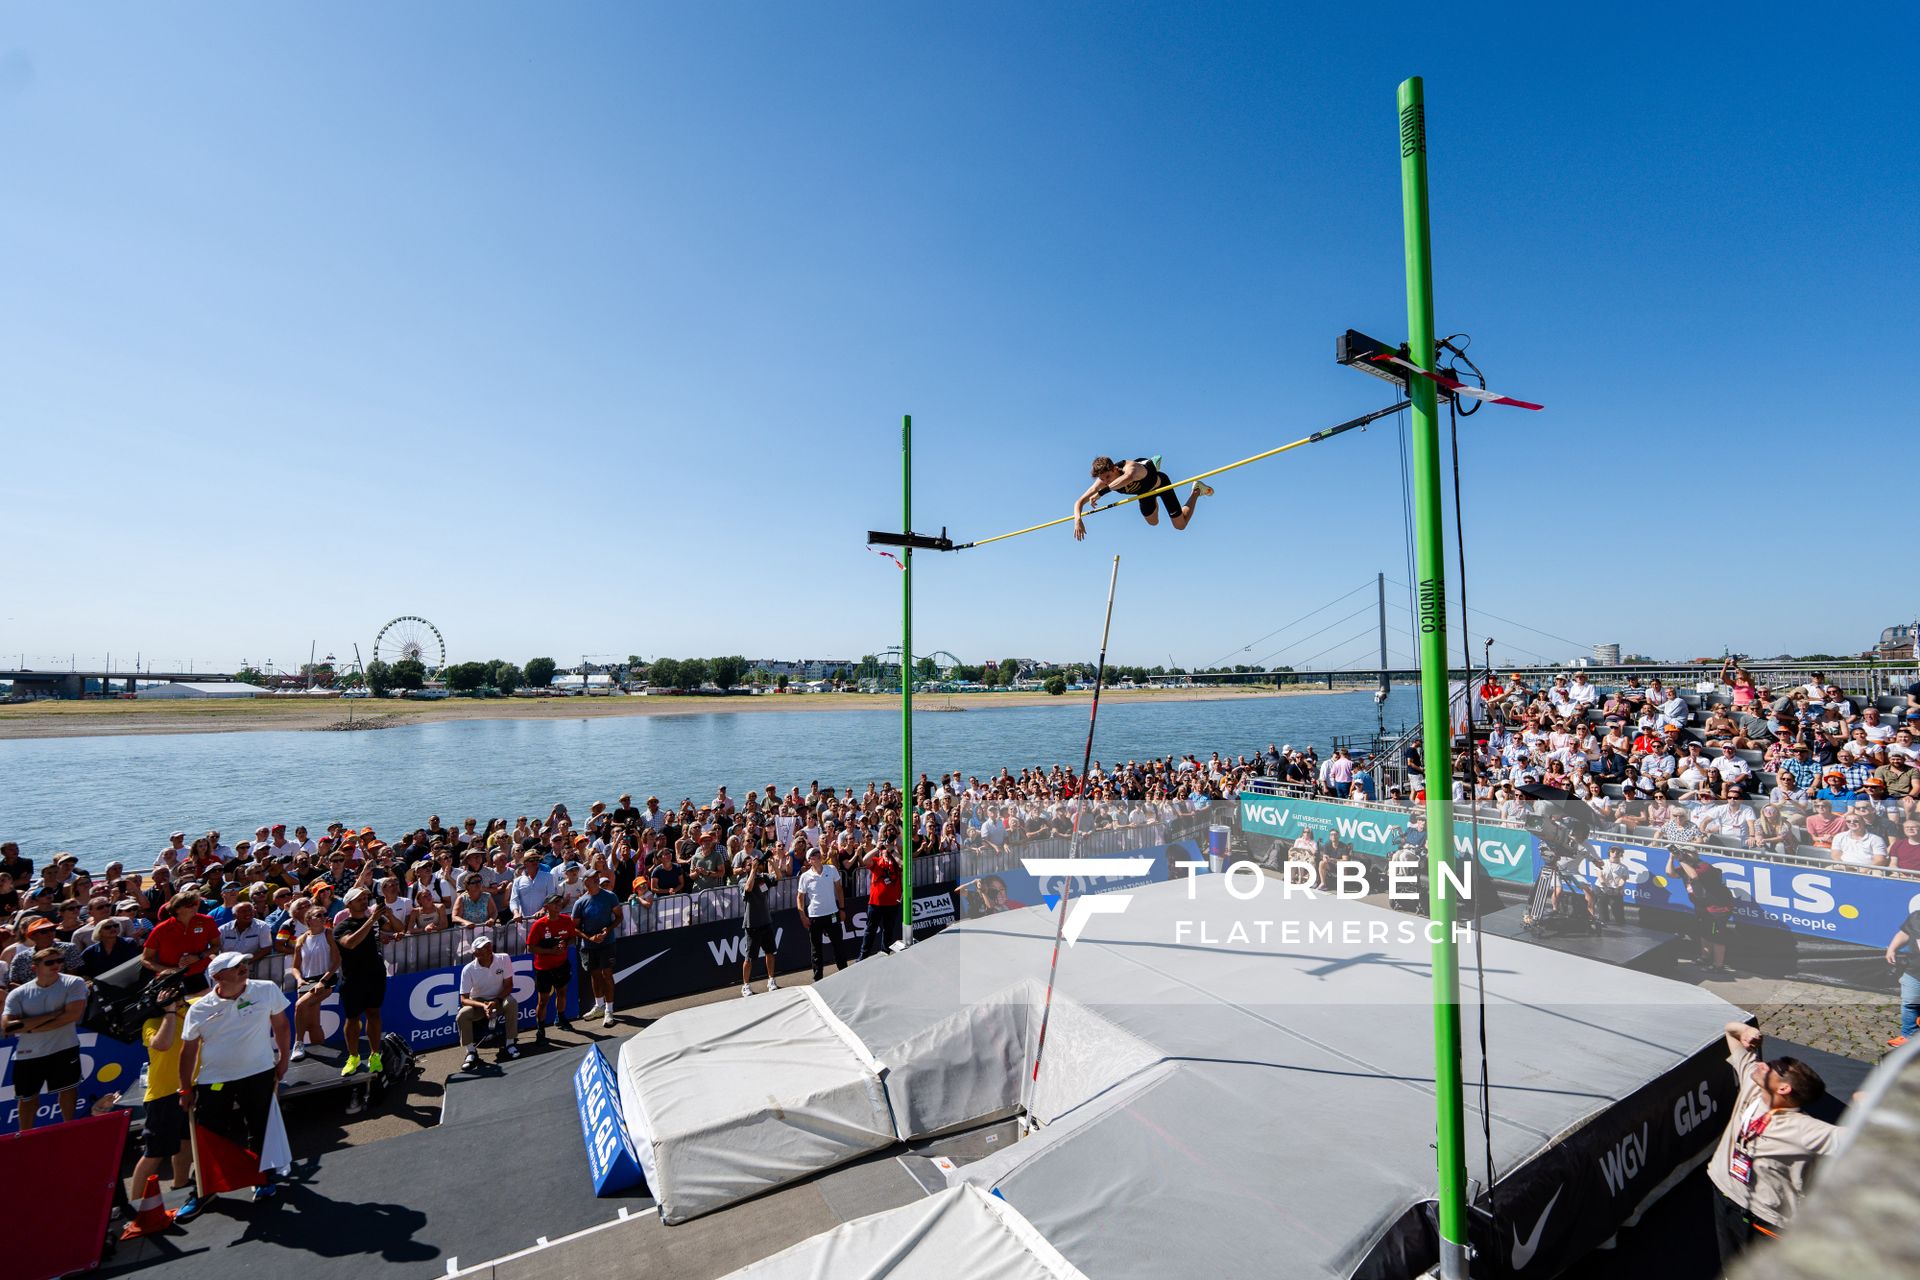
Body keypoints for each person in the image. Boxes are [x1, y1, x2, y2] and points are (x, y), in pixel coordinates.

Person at [1705, 1021, 1836, 1271]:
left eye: (1772, 1068)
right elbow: (1729, 1032)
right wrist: (1743, 1031)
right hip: (1725, 1192)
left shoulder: (1805, 1129)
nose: (1761, 1063)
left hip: (1767, 1218)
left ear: (1783, 1088)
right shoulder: (1754, 1086)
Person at [174, 953, 292, 1220]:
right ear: (217, 977)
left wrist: (283, 1060)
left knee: (259, 1127)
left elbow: (282, 1026)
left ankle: (261, 1179)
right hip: (214, 1080)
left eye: (243, 964)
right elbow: (188, 1050)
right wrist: (185, 1088)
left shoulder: (266, 989)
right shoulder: (200, 1008)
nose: (243, 968)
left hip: (259, 1072)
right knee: (210, 1134)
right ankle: (203, 1190)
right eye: (235, 967)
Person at [1, 946, 89, 1131]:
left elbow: (71, 1016)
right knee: (27, 1099)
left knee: (68, 1091)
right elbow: (8, 1027)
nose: (56, 965)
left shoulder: (74, 982)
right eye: (50, 962)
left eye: (60, 961)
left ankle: (69, 1130)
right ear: (35, 968)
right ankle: (25, 1137)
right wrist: (52, 1015)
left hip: (64, 1047)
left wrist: (29, 1027)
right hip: (28, 1054)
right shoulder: (19, 993)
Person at [129, 987, 195, 1204]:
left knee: (186, 1142)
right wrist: (168, 1012)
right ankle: (136, 1204)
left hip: (191, 1087)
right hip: (163, 1095)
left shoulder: (192, 1009)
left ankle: (180, 1185)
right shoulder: (152, 1022)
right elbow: (163, 1044)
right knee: (154, 1153)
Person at [1073, 455, 1212, 540]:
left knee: (1180, 526)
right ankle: (1153, 471)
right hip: (1144, 493)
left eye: (1108, 477)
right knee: (1153, 522)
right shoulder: (1104, 481)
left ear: (1115, 468)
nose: (1106, 481)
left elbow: (1127, 478)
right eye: (1103, 479)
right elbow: (1079, 502)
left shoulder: (1130, 467)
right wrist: (1078, 520)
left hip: (1160, 484)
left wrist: (1101, 493)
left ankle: (1196, 491)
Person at [334, 887, 389, 1077]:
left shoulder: (374, 919)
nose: (364, 901)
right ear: (348, 904)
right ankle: (354, 1056)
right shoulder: (342, 926)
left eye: (366, 898)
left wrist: (384, 915)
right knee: (353, 1019)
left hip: (375, 976)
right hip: (353, 980)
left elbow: (398, 929)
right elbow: (350, 943)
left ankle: (375, 1054)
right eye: (359, 899)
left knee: (374, 1014)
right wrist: (371, 921)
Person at [455, 933, 520, 1071]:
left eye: (488, 945)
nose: (488, 948)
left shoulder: (503, 958)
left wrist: (496, 1001)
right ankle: (471, 1051)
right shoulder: (468, 970)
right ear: (476, 953)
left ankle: (510, 1043)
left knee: (512, 1003)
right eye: (483, 947)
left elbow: (509, 985)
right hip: (478, 1003)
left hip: (499, 998)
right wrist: (483, 1005)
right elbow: (464, 999)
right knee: (462, 1015)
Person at [525, 893, 579, 1044]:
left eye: (560, 902)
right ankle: (540, 1029)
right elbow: (530, 948)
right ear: (547, 906)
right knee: (543, 1000)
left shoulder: (567, 920)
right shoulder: (539, 925)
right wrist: (551, 951)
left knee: (562, 992)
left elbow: (572, 937)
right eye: (555, 903)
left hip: (561, 965)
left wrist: (565, 944)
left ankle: (561, 1019)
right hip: (543, 968)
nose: (558, 905)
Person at [143, 890, 222, 992]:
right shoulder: (161, 929)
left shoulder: (207, 921)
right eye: (190, 905)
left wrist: (199, 957)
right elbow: (145, 959)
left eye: (196, 903)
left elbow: (216, 946)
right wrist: (169, 970)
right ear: (177, 909)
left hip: (201, 974)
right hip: (171, 978)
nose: (195, 907)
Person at [571, 869, 621, 1029]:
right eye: (593, 877)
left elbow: (619, 917)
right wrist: (589, 938)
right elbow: (575, 928)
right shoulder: (580, 903)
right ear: (586, 882)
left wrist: (608, 930)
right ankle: (599, 1006)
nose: (596, 879)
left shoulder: (610, 896)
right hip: (589, 945)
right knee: (595, 974)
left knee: (607, 973)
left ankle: (609, 1010)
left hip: (608, 943)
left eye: (597, 876)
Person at [1672, 849, 1735, 972]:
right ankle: (1705, 957)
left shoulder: (1704, 867)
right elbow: (1670, 873)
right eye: (1684, 852)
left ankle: (1718, 965)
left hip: (1718, 908)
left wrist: (1680, 859)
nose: (1685, 854)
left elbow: (1693, 875)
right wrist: (1671, 858)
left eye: (1688, 852)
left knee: (1717, 937)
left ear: (1696, 854)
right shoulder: (1686, 867)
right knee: (1704, 932)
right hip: (1702, 907)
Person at [796, 846, 846, 981]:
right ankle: (818, 979)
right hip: (815, 917)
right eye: (813, 855)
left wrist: (842, 909)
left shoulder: (831, 869)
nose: (817, 856)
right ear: (809, 860)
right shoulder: (805, 877)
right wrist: (803, 916)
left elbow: (839, 889)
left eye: (818, 853)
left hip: (832, 914)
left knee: (838, 945)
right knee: (816, 950)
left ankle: (845, 974)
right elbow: (800, 897)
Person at [738, 853, 780, 997]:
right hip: (752, 925)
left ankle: (771, 980)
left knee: (770, 953)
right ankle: (745, 986)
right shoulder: (742, 881)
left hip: (766, 922)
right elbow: (748, 888)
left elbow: (778, 877)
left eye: (753, 863)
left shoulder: (763, 878)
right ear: (744, 868)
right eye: (749, 864)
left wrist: (773, 863)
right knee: (749, 958)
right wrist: (753, 870)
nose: (752, 865)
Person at [861, 841, 903, 959]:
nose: (886, 850)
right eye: (884, 848)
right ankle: (863, 956)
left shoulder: (896, 862)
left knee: (888, 930)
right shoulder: (876, 861)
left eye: (887, 848)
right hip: (876, 903)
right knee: (870, 930)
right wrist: (877, 848)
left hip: (892, 903)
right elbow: (864, 860)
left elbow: (904, 865)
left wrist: (893, 851)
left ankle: (886, 952)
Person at [1886, 908, 1920, 1049]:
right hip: (1914, 973)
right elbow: (1904, 933)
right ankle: (1908, 1036)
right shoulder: (1917, 916)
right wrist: (1892, 949)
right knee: (1910, 1003)